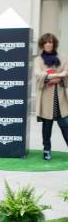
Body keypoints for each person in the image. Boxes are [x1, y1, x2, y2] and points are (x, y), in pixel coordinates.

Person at [34, 32, 68, 160]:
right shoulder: (38, 60)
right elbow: (38, 75)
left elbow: (66, 74)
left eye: (51, 42)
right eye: (46, 42)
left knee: (66, 125)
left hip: (60, 99)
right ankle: (46, 150)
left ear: (54, 44)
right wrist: (57, 75)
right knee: (46, 127)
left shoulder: (63, 58)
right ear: (42, 44)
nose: (48, 44)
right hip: (46, 100)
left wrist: (49, 76)